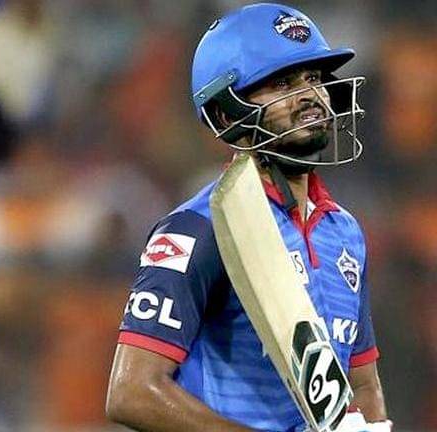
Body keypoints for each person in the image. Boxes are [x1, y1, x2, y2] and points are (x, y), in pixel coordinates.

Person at [105, 4, 391, 432]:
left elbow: (362, 384)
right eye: (282, 83)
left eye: (314, 78)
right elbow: (131, 392)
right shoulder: (197, 229)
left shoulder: (345, 232)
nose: (310, 95)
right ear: (226, 113)